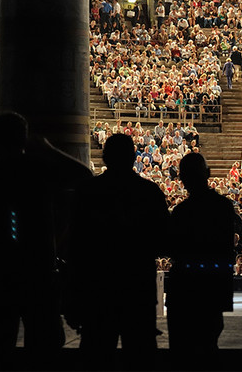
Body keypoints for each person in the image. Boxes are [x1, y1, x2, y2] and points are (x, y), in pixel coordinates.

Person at [0, 112, 89, 370]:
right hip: (37, 271)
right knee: (44, 346)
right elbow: (82, 174)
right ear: (24, 139)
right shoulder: (38, 170)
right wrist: (48, 148)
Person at [67, 134, 169, 371]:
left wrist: (72, 296)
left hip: (97, 290)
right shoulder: (149, 192)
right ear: (134, 157)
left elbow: (75, 246)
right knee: (140, 355)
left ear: (104, 157)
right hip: (137, 289)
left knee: (96, 354)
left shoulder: (87, 192)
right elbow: (164, 242)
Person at [166, 152, 241, 364]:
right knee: (209, 346)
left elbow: (172, 248)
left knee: (181, 352)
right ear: (207, 173)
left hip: (185, 286)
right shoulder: (223, 206)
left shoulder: (181, 212)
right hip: (213, 284)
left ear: (182, 179)